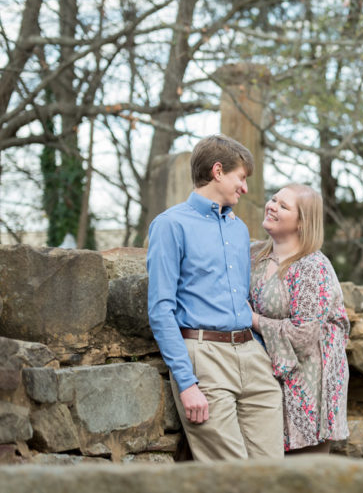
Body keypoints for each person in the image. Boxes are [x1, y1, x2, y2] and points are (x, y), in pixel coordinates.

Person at [147, 134, 283, 461]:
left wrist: (259, 352)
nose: (246, 188)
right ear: (218, 171)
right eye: (241, 177)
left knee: (274, 474)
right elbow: (161, 310)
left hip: (252, 357)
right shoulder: (170, 225)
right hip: (204, 356)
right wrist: (186, 382)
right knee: (230, 477)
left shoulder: (237, 229)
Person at [249, 183, 350, 454]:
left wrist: (253, 320)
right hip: (269, 373)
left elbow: (304, 334)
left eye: (284, 206)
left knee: (302, 472)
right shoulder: (254, 255)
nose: (272, 206)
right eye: (273, 199)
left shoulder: (311, 266)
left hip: (311, 379)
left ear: (302, 223)